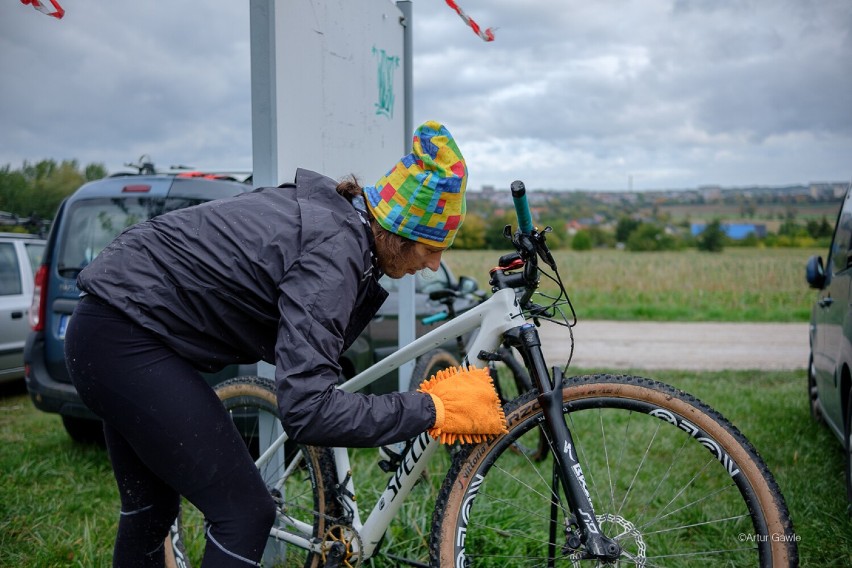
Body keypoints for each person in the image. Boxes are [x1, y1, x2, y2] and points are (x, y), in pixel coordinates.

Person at [64, 120, 506, 567]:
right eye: (431, 247)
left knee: (152, 507)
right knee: (245, 513)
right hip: (125, 336)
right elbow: (307, 410)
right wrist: (431, 408)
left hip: (107, 324)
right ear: (399, 229)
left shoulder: (337, 222)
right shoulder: (335, 254)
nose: (435, 264)